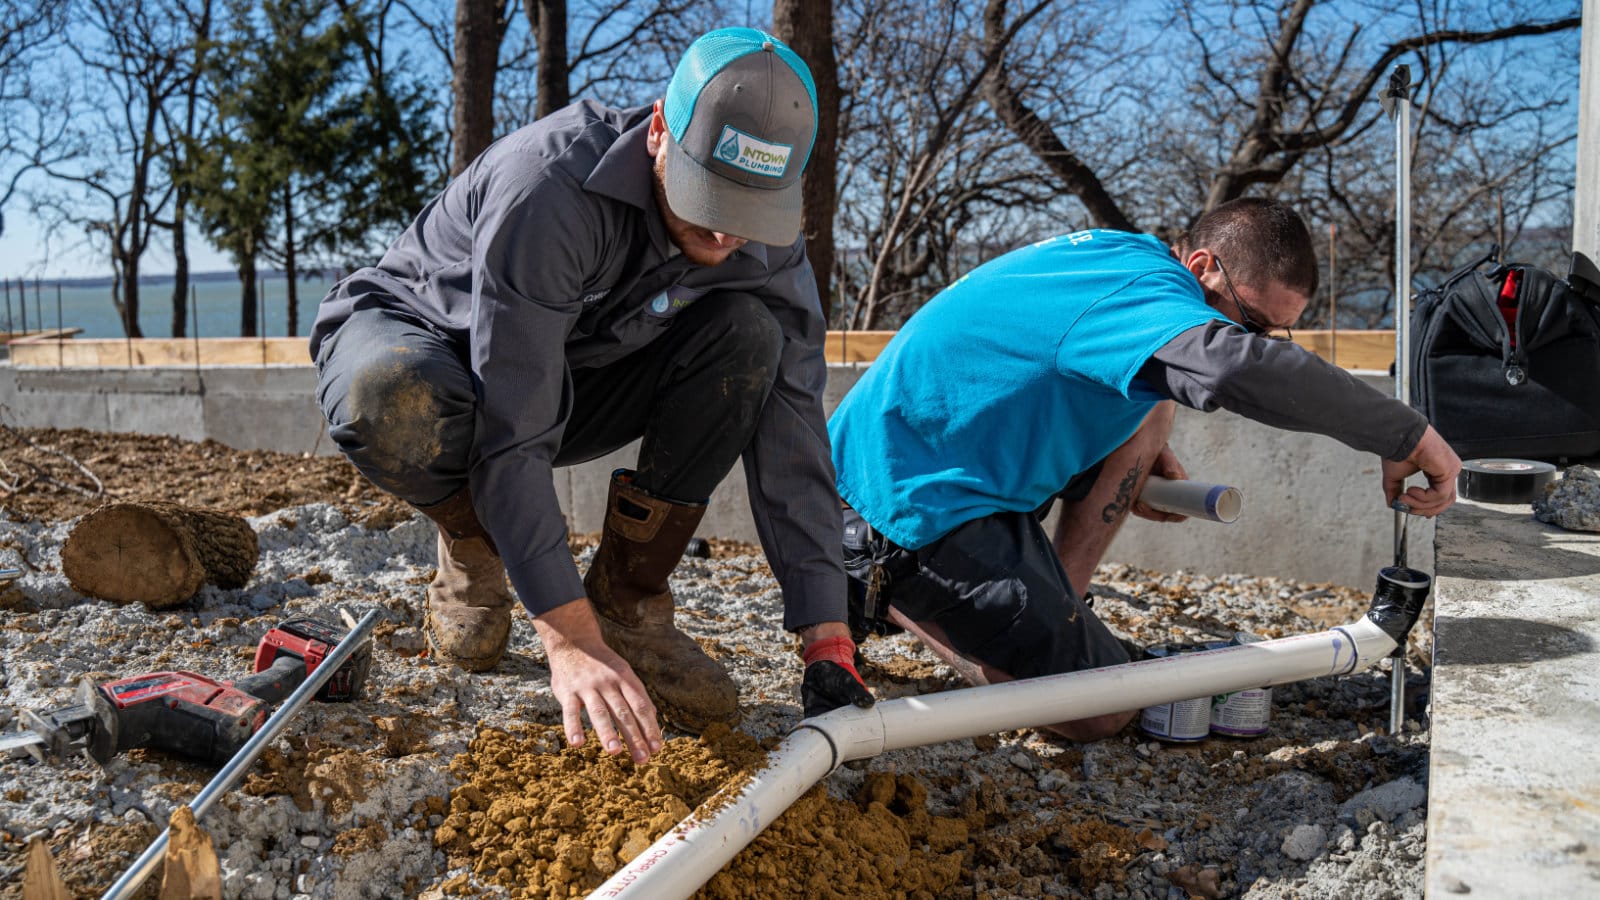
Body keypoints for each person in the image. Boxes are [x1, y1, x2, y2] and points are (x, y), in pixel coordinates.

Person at [310, 27, 872, 764]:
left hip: (577, 370)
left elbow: (795, 423)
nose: (726, 228)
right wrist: (570, 640)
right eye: (710, 195)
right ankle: (472, 538)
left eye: (749, 207)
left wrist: (825, 634)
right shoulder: (549, 190)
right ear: (660, 133)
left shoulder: (764, 238)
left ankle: (628, 599)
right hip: (434, 350)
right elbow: (514, 425)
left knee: (750, 337)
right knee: (391, 396)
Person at [828, 198, 1461, 741]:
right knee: (1100, 713)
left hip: (955, 463)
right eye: (1255, 324)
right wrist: (1405, 431)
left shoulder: (1127, 259)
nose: (1259, 342)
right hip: (897, 503)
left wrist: (1122, 450)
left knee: (1151, 405)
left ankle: (1056, 612)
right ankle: (874, 586)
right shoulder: (1137, 291)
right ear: (1203, 267)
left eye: (1276, 334)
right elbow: (1232, 368)